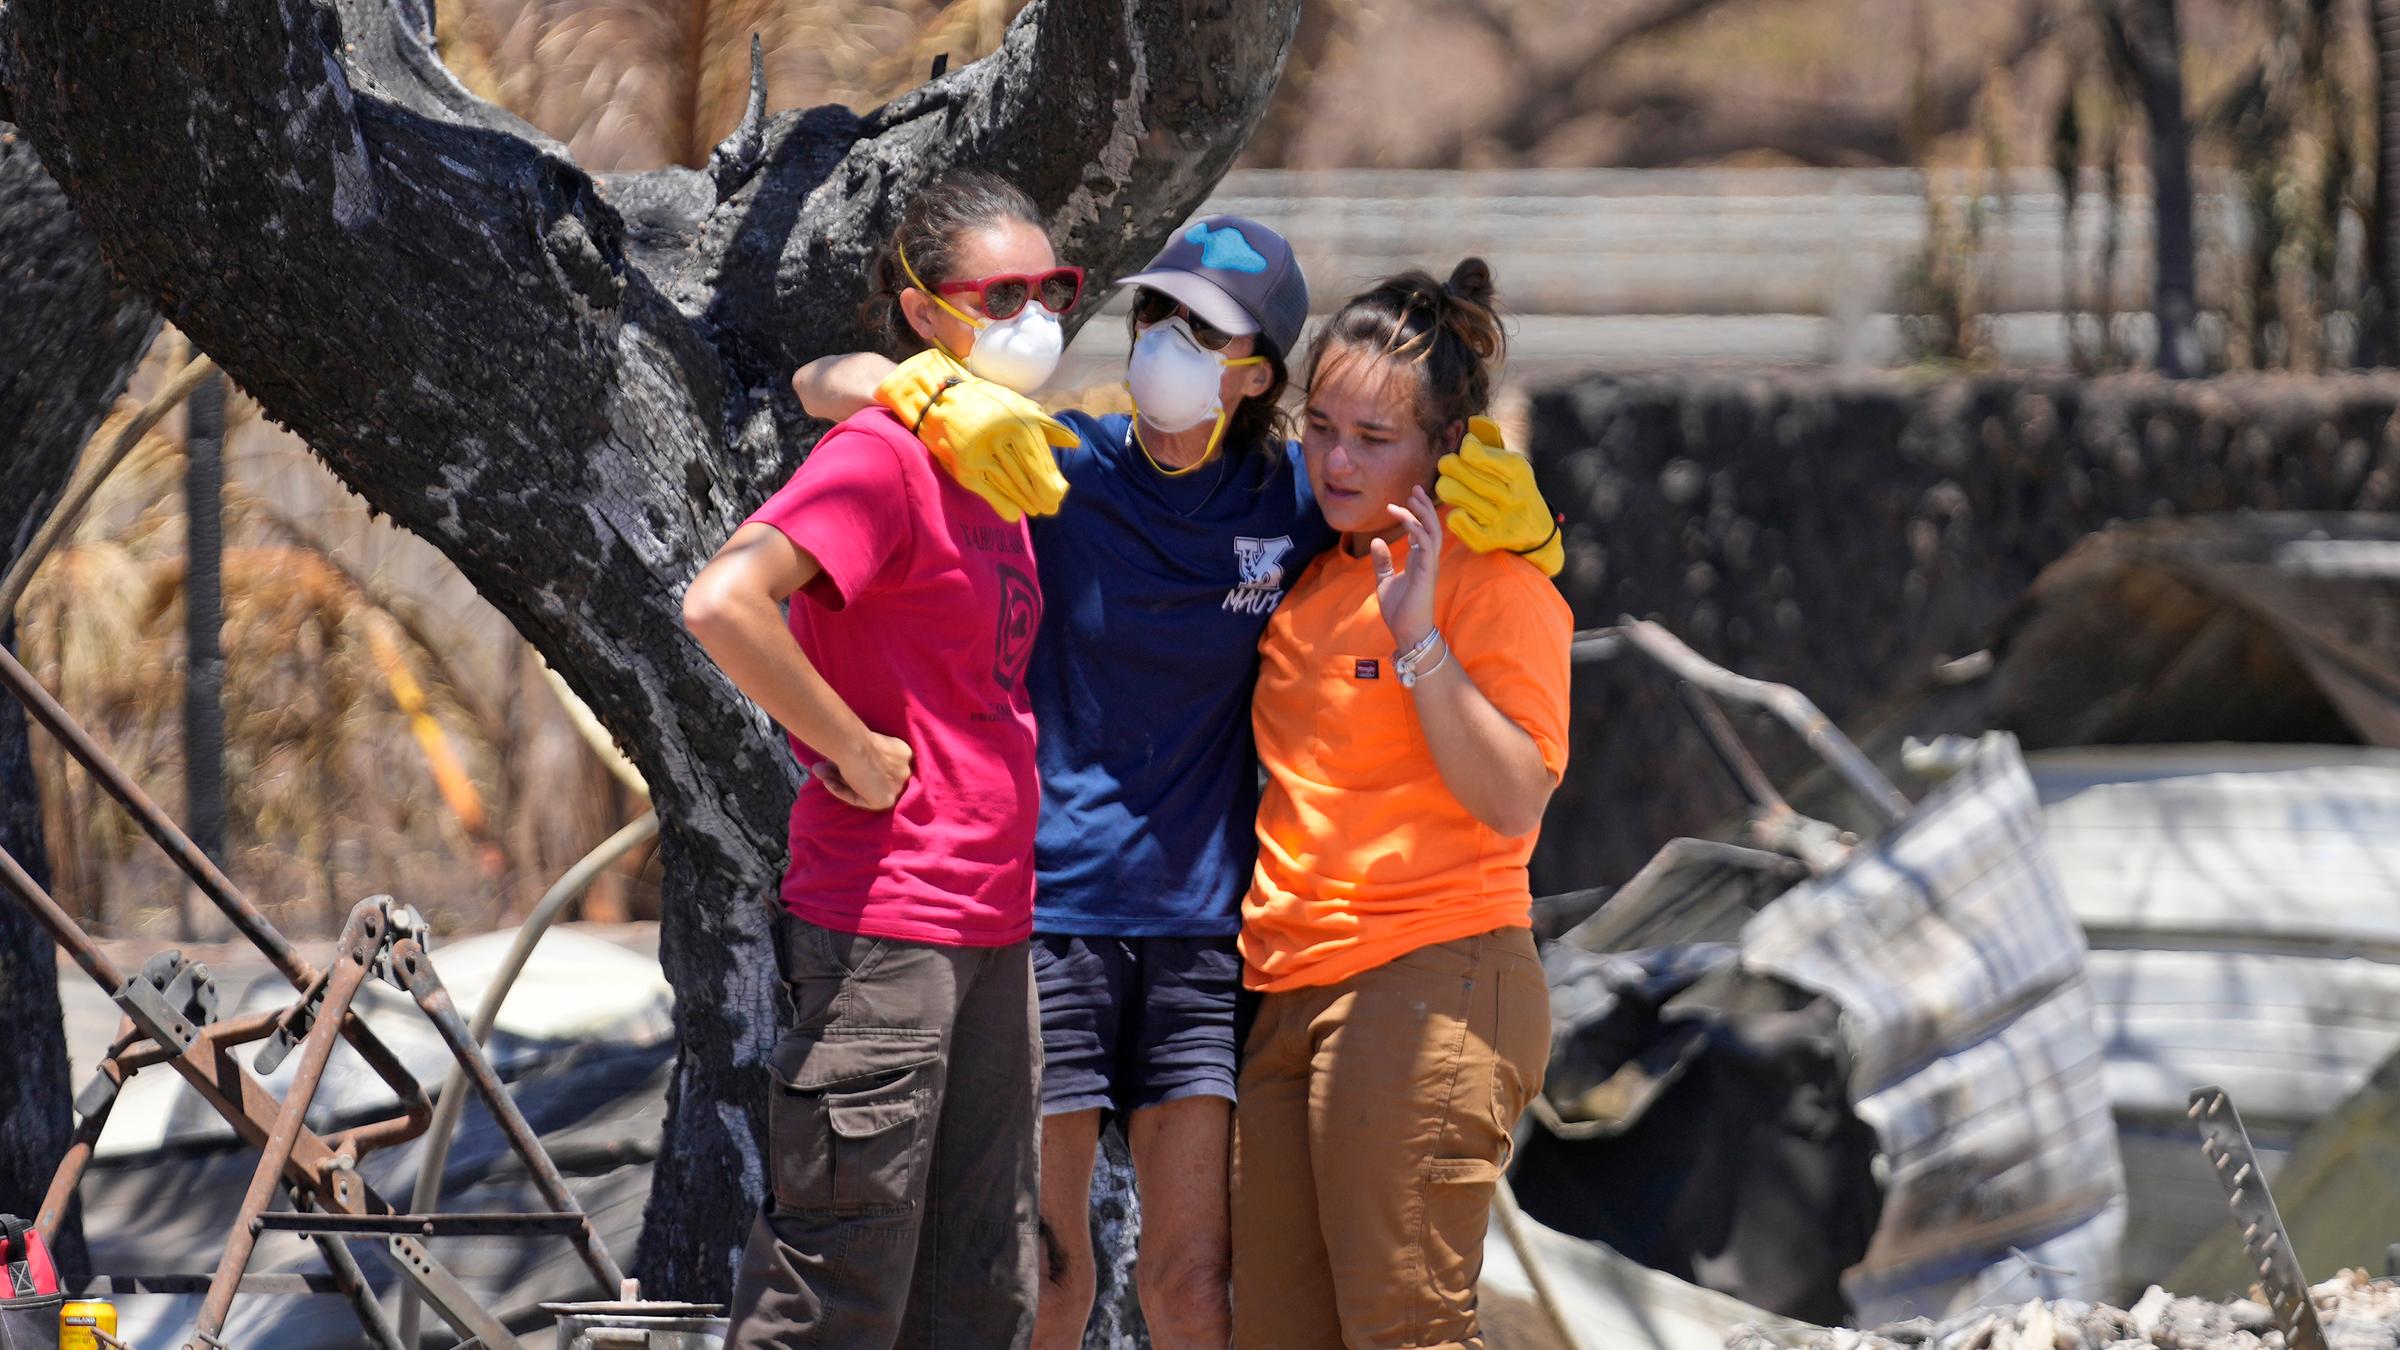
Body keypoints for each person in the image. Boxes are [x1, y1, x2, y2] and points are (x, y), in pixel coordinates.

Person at [793, 219, 1562, 1348]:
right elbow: (821, 378)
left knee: (1197, 1285)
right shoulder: (1057, 464)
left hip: (1210, 941)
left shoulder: (1298, 502)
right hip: (1054, 915)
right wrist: (921, 395)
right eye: (1155, 314)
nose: (1167, 341)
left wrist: (1533, 539)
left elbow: (1430, 530)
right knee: (1046, 1277)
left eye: (1205, 330)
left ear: (1254, 373)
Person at [682, 169, 1076, 1349]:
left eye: (1052, 287)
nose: (1035, 315)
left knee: (979, 1300)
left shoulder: (992, 462)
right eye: (1000, 293)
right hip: (888, 929)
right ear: (923, 312)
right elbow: (722, 605)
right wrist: (845, 747)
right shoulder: (885, 456)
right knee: (836, 1302)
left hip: (990, 932)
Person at [1232, 259, 1572, 1350]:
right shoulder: (1318, 572)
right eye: (1319, 425)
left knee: (1405, 1332)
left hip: (1431, 971)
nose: (1334, 459)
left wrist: (1422, 638)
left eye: (1373, 439)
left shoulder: (1497, 579)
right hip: (1289, 983)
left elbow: (1514, 797)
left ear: (1444, 448)